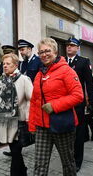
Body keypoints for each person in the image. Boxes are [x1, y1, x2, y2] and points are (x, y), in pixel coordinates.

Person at [29, 38, 83, 176]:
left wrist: (54, 106)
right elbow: (35, 101)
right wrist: (32, 125)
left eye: (47, 51)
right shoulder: (39, 74)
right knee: (39, 165)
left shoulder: (66, 71)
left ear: (55, 51)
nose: (44, 54)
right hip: (42, 126)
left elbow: (78, 95)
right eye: (41, 52)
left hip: (62, 124)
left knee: (68, 163)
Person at [3, 40, 42, 157]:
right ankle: (16, 151)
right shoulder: (21, 64)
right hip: (22, 99)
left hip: (34, 97)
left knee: (35, 124)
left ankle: (40, 145)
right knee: (20, 127)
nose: (21, 52)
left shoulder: (38, 61)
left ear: (30, 49)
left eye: (23, 49)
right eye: (20, 50)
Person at [64, 37, 93, 172]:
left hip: (78, 103)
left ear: (78, 48)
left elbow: (89, 83)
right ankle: (68, 157)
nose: (69, 47)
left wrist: (92, 103)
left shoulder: (83, 62)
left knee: (78, 132)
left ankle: (77, 161)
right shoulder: (61, 61)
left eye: (72, 45)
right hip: (64, 103)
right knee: (66, 132)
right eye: (67, 45)